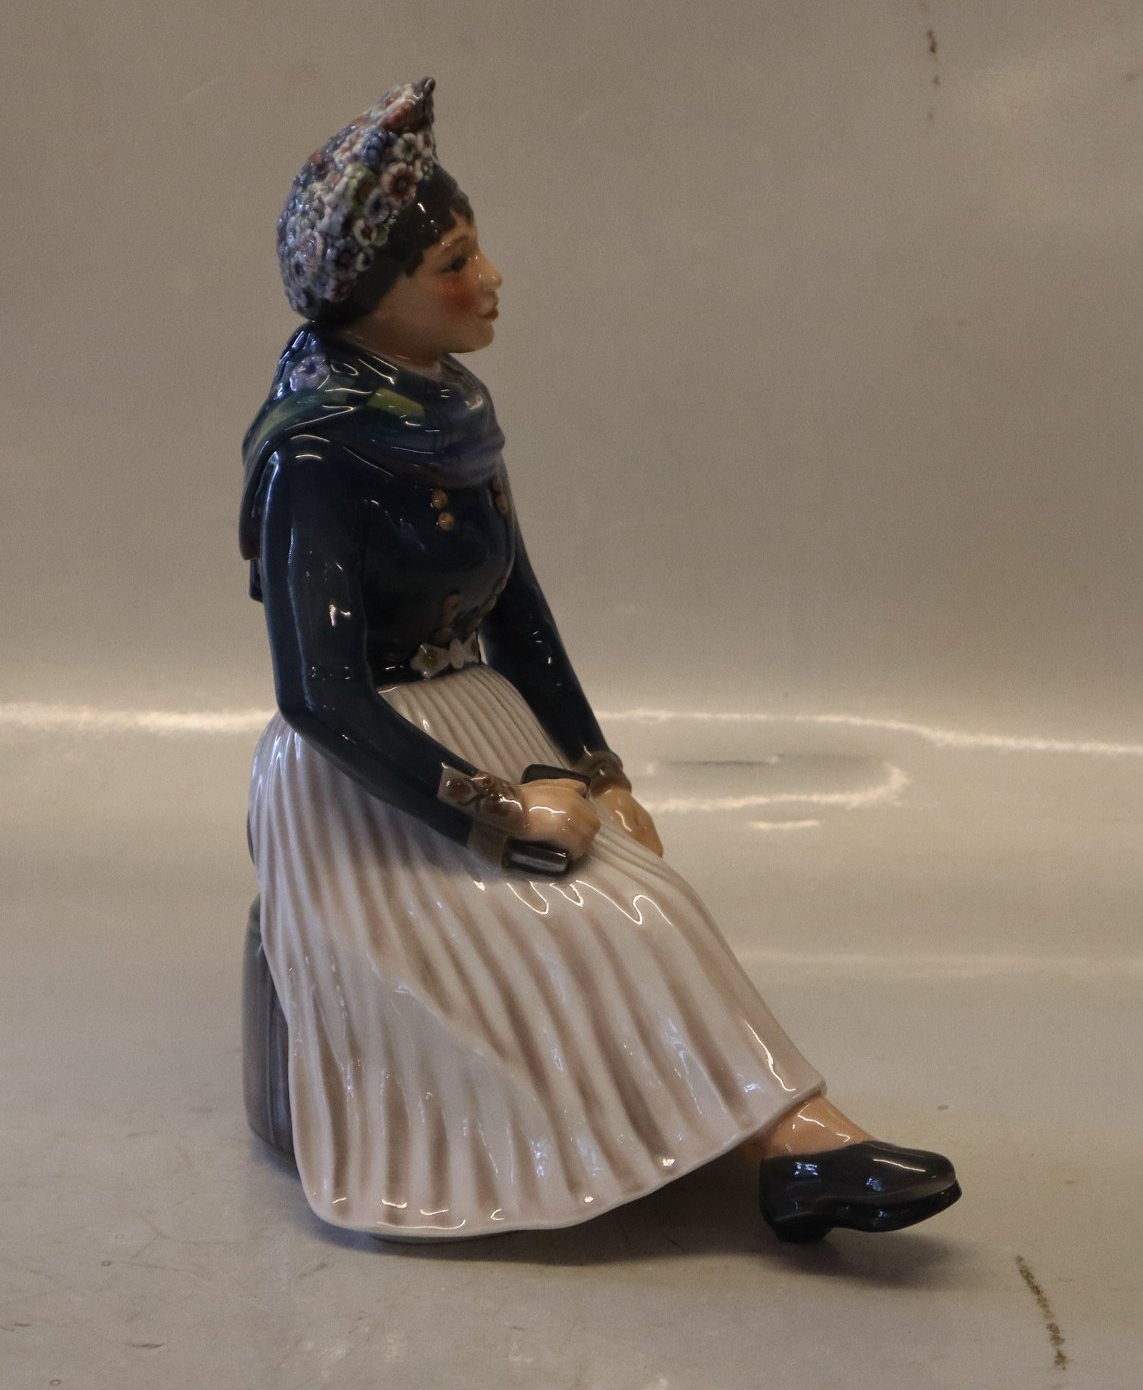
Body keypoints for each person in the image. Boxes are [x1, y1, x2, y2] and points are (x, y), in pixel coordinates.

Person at [240, 78, 961, 1244]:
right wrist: (493, 807)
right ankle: (783, 1140)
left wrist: (592, 766)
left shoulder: (452, 418)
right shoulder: (317, 458)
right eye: (455, 263)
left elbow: (518, 611)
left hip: (488, 726)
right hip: (368, 784)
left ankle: (782, 1136)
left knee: (645, 891)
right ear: (374, 298)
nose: (491, 278)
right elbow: (319, 697)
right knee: (593, 918)